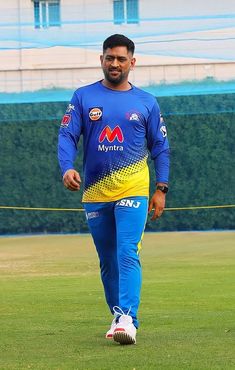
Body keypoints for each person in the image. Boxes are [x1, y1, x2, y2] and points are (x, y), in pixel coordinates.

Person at [58, 34, 170, 345]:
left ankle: (127, 319)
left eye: (121, 58)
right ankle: (119, 313)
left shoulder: (147, 102)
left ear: (132, 62)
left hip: (134, 188)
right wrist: (67, 167)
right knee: (107, 259)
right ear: (101, 60)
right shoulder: (83, 97)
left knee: (126, 251)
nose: (115, 63)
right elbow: (67, 136)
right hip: (95, 193)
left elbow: (161, 147)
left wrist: (161, 188)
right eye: (110, 57)